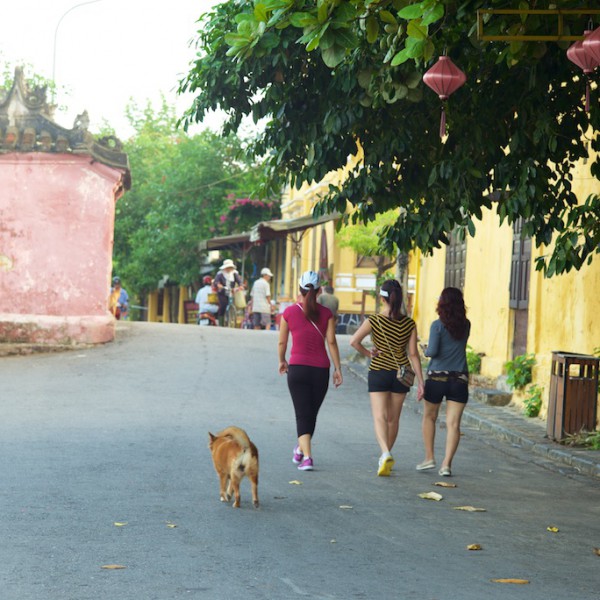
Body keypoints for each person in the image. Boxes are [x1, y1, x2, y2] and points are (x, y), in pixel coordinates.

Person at [349, 279, 424, 476]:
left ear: (382, 298)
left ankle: (385, 453)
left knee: (380, 417)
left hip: (379, 371)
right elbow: (413, 354)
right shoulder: (409, 323)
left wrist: (369, 353)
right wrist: (421, 382)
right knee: (393, 419)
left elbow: (354, 341)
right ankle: (386, 456)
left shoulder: (374, 320)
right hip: (401, 374)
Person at [278, 270, 343, 471]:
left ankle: (305, 455)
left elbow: (282, 342)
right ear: (319, 290)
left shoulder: (289, 313)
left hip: (297, 370)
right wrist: (338, 368)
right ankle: (303, 452)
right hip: (320, 371)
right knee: (310, 413)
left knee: (304, 414)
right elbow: (331, 342)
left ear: (300, 289)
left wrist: (282, 360)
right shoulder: (327, 314)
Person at [417, 287, 471, 477]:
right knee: (453, 424)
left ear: (442, 303)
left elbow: (433, 351)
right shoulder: (466, 325)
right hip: (459, 378)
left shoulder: (437, 325)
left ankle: (429, 458)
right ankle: (446, 465)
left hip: (437, 378)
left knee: (429, 417)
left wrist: (425, 350)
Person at [213, 259, 243, 326]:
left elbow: (239, 281)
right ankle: (220, 322)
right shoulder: (220, 274)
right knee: (223, 306)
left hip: (231, 291)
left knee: (233, 304)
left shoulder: (234, 273)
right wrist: (218, 285)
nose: (229, 269)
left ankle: (232, 317)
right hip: (222, 292)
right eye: (227, 267)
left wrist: (241, 286)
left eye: (230, 267)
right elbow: (216, 282)